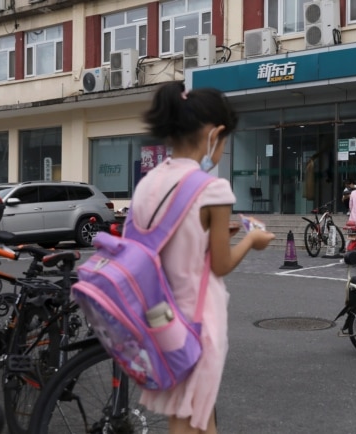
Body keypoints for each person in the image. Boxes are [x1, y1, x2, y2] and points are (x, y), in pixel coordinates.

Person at [134, 82, 275, 434]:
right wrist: (252, 240)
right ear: (216, 134)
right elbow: (221, 265)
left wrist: (208, 238)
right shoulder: (212, 189)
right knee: (188, 421)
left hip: (156, 317)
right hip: (197, 322)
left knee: (196, 415)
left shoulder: (148, 182)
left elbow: (160, 243)